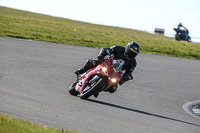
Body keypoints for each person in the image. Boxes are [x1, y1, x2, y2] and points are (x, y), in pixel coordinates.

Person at [74, 41, 140, 97]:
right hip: (107, 63)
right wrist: (101, 56)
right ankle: (81, 70)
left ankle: (97, 89)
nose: (131, 54)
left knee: (114, 88)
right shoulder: (119, 48)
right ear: (127, 49)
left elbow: (129, 72)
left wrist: (126, 78)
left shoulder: (133, 62)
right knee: (93, 62)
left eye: (134, 53)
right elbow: (106, 49)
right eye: (131, 52)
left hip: (115, 72)